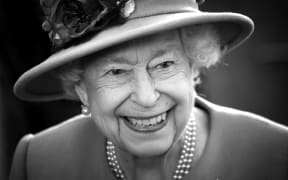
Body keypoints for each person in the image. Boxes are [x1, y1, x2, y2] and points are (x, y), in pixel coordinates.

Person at [9, 0, 288, 180]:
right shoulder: (38, 162)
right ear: (81, 88)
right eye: (116, 72)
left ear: (194, 66)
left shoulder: (276, 155)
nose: (146, 97)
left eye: (164, 64)